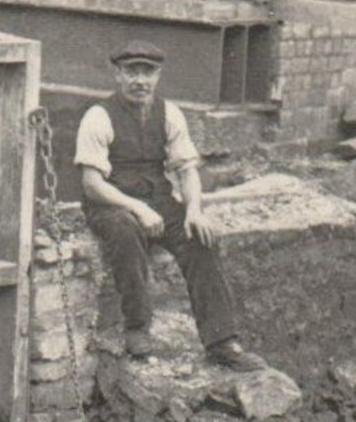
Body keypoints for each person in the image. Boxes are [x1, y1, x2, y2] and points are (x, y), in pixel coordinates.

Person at [75, 40, 267, 370]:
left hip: (159, 199)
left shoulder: (170, 113)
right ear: (117, 75)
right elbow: (91, 184)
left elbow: (187, 170)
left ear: (158, 76)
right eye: (131, 72)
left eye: (147, 72)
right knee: (125, 233)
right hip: (111, 202)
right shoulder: (98, 116)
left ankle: (222, 341)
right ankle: (137, 329)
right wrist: (137, 208)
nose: (140, 80)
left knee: (200, 239)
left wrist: (193, 209)